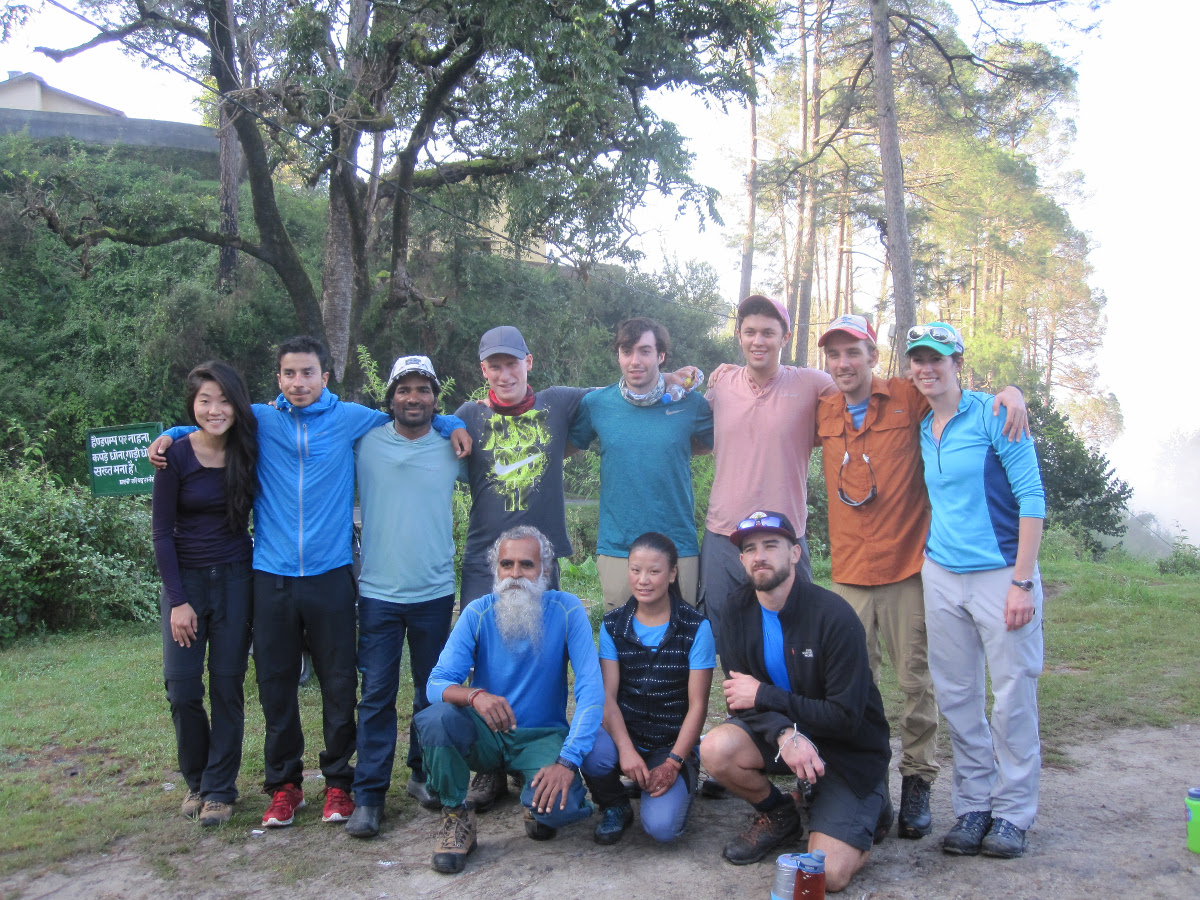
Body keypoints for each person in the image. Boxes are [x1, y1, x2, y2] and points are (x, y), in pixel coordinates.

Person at [150, 336, 469, 828]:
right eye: (290, 374)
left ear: (326, 376)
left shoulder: (351, 419)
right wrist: (170, 433)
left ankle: (340, 784)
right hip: (270, 576)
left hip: (331, 576)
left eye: (308, 373)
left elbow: (414, 415)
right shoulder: (259, 418)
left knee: (341, 685)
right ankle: (285, 786)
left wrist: (453, 422)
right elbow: (213, 422)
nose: (299, 383)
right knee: (276, 686)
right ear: (278, 379)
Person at [815, 314, 1029, 839]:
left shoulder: (907, 396)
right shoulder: (820, 409)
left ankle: (917, 781)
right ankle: (863, 783)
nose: (844, 364)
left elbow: (956, 391)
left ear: (873, 356)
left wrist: (1012, 390)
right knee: (852, 686)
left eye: (854, 353)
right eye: (835, 355)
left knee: (917, 682)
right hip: (848, 572)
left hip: (908, 566)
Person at [905, 322, 1046, 860]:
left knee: (1012, 697)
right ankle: (972, 806)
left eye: (937, 358)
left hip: (999, 573)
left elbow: (1031, 499)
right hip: (941, 573)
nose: (927, 368)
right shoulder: (923, 424)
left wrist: (1022, 582)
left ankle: (1013, 814)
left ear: (957, 361)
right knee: (958, 695)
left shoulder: (995, 414)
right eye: (918, 359)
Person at [700, 511, 890, 893]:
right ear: (741, 560)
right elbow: (742, 700)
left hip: (848, 752)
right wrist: (786, 734)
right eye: (750, 549)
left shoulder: (834, 616)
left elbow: (846, 718)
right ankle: (780, 814)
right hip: (786, 739)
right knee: (716, 748)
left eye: (771, 545)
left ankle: (868, 806)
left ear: (795, 554)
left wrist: (768, 696)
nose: (759, 556)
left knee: (827, 875)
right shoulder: (736, 611)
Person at [414, 526, 604, 874]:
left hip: (542, 735)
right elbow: (435, 684)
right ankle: (457, 817)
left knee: (558, 812)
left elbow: (591, 691)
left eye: (526, 565)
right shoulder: (477, 612)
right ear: (496, 570)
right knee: (436, 718)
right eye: (507, 564)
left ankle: (535, 796)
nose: (515, 574)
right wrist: (475, 695)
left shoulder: (567, 610)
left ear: (544, 571)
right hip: (487, 733)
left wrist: (566, 761)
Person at [344, 355, 468, 838]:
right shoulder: (365, 442)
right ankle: (369, 796)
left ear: (435, 398)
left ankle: (421, 774)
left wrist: (453, 422)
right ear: (390, 397)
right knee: (376, 695)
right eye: (404, 390)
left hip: (435, 592)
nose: (413, 398)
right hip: (377, 593)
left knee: (430, 692)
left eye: (423, 389)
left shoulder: (450, 445)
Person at [152, 361, 258, 828]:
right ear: (192, 405)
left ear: (237, 404)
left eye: (224, 400)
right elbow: (160, 533)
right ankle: (195, 780)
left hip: (237, 578)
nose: (215, 410)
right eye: (204, 401)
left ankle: (219, 788)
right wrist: (177, 600)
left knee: (226, 686)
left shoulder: (249, 448)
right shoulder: (174, 454)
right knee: (182, 688)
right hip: (186, 584)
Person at [699, 295, 833, 657]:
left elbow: (863, 398)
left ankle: (794, 713)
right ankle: (742, 712)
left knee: (798, 638)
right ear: (739, 336)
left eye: (768, 333)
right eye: (750, 332)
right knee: (727, 636)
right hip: (724, 535)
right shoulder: (721, 386)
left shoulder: (812, 384)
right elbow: (692, 436)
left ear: (785, 337)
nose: (758, 341)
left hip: (785, 534)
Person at [569, 317, 714, 610]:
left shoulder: (691, 404)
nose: (635, 360)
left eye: (645, 351)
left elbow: (714, 445)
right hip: (618, 548)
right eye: (627, 351)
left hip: (678, 546)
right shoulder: (597, 404)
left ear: (661, 356)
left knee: (679, 647)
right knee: (622, 647)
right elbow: (565, 446)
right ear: (618, 355)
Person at [581, 532, 715, 845]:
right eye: (635, 570)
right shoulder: (614, 625)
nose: (643, 580)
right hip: (624, 735)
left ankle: (681, 779)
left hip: (670, 745)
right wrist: (626, 750)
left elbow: (698, 706)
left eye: (654, 571)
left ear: (671, 574)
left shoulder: (696, 628)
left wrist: (673, 763)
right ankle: (614, 804)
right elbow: (608, 698)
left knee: (662, 828)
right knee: (588, 743)